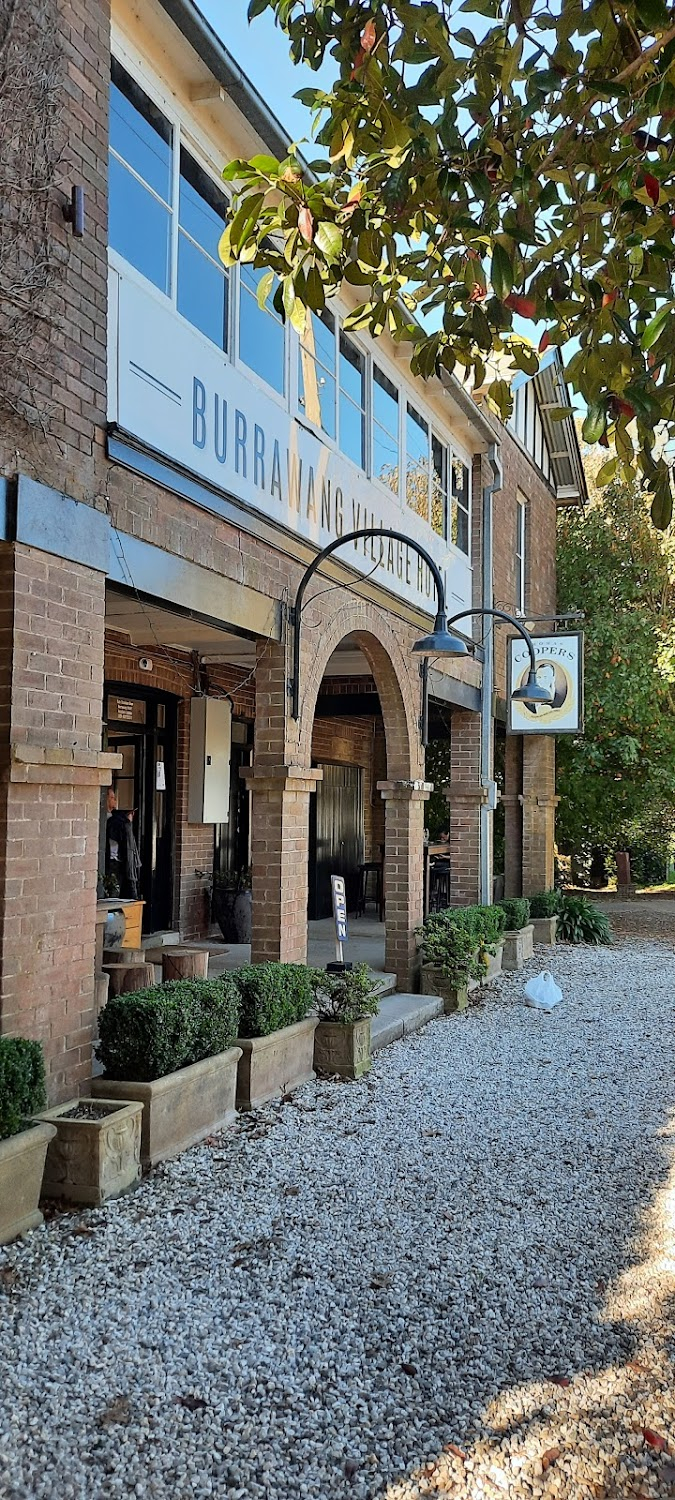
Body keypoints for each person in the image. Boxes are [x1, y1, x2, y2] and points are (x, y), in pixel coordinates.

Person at [106, 791, 141, 899]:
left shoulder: (117, 816)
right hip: (111, 862)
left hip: (121, 861)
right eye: (112, 797)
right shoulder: (108, 819)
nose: (115, 800)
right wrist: (127, 823)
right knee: (113, 893)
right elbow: (114, 833)